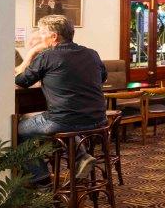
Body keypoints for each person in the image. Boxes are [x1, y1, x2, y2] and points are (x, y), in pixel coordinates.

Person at [14, 15, 107, 181]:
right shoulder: (92, 53)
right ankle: (81, 157)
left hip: (65, 121)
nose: (40, 36)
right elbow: (103, 78)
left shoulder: (47, 56)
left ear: (54, 36)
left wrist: (32, 52)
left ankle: (41, 179)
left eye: (42, 32)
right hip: (98, 119)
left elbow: (21, 81)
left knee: (17, 131)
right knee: (66, 119)